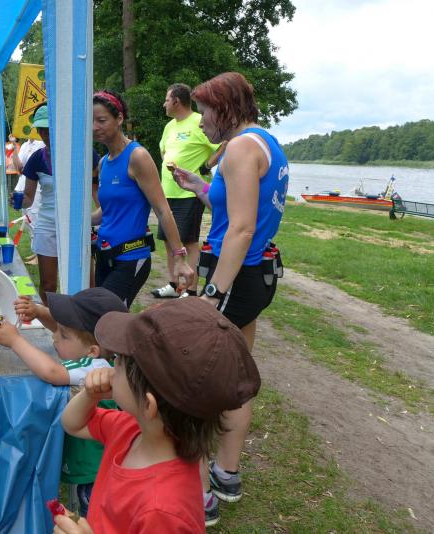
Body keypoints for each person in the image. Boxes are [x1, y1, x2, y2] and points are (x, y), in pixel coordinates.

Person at [172, 71, 289, 525]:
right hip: (256, 273)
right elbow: (240, 210)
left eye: (204, 113)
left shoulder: (239, 149)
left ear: (224, 109)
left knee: (200, 383)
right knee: (237, 376)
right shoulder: (266, 144)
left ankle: (201, 497)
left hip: (233, 274)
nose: (201, 123)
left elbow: (241, 228)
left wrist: (212, 294)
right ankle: (228, 473)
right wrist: (199, 188)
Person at [55, 297, 260, 533]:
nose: (111, 366)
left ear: (148, 404)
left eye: (119, 362)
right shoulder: (130, 429)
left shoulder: (164, 510)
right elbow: (73, 424)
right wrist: (90, 395)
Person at [0, 287, 127, 517]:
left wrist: (15, 341)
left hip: (93, 470)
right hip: (98, 460)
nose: (54, 336)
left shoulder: (93, 367)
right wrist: (39, 312)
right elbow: (73, 334)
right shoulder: (104, 356)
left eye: (62, 335)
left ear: (92, 351)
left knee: (93, 511)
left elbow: (52, 372)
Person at [91, 90, 194, 307]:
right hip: (104, 254)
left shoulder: (137, 157)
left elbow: (163, 209)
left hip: (130, 258)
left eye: (101, 120)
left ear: (119, 119)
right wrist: (76, 222)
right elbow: (107, 211)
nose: (94, 127)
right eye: (91, 121)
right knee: (101, 319)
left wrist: (180, 257)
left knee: (104, 313)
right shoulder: (103, 163)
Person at [21, 104, 101, 302]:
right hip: (47, 224)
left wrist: (102, 215)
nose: (45, 135)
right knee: (48, 284)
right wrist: (17, 200)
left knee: (86, 283)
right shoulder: (36, 158)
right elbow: (28, 197)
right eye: (41, 130)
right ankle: (51, 320)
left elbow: (96, 191)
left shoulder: (84, 153)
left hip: (77, 224)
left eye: (49, 130)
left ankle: (85, 320)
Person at [151, 83, 223, 298]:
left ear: (177, 101)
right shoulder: (169, 126)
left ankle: (190, 290)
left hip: (189, 194)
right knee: (169, 240)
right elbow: (164, 151)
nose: (164, 104)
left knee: (189, 242)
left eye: (166, 99)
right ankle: (174, 286)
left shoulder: (199, 122)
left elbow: (223, 144)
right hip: (167, 193)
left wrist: (206, 166)